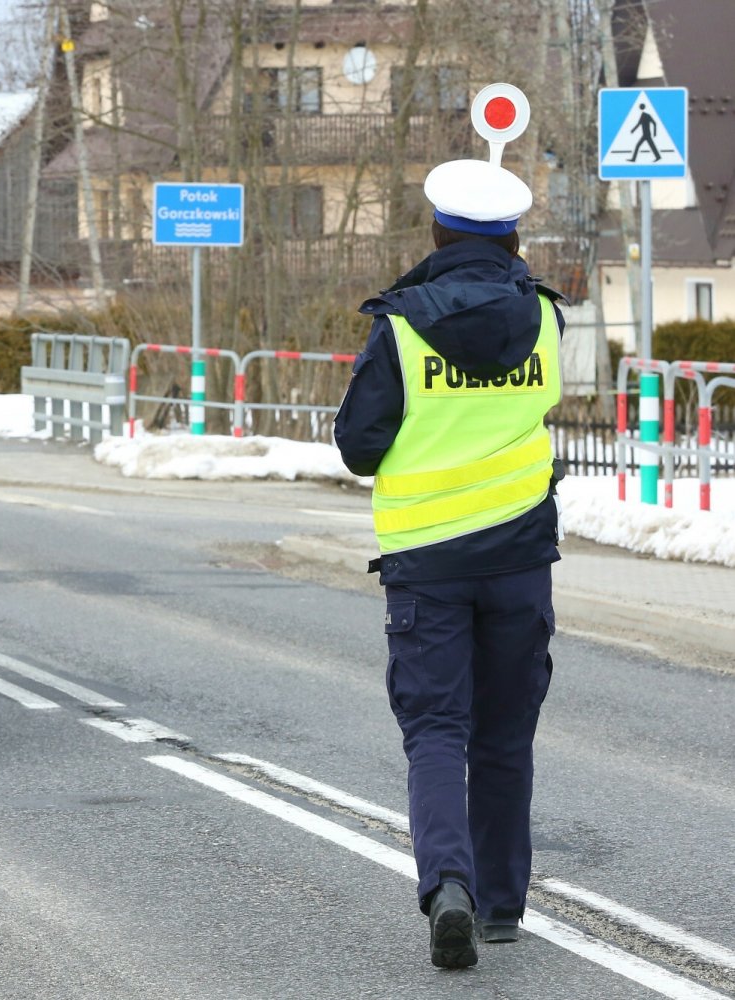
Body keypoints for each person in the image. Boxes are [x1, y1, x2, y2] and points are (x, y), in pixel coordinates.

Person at [334, 147, 564, 969]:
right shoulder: (544, 317)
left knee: (437, 730)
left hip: (427, 566)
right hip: (520, 561)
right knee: (505, 735)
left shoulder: (401, 323)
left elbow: (360, 447)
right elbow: (538, 412)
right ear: (511, 238)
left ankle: (449, 889)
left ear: (436, 230)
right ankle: (501, 906)